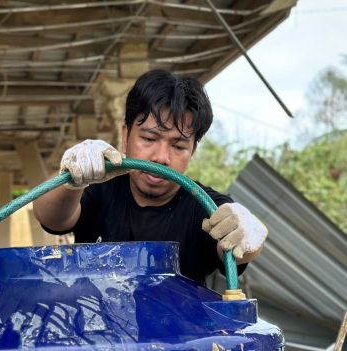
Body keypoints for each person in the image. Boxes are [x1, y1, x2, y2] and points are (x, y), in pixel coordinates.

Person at [33, 69, 267, 286]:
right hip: (96, 326)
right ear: (125, 136)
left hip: (179, 330)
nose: (161, 158)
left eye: (178, 145)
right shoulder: (99, 189)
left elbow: (237, 251)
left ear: (192, 151)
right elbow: (49, 216)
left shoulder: (204, 206)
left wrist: (247, 234)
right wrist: (72, 180)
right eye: (149, 139)